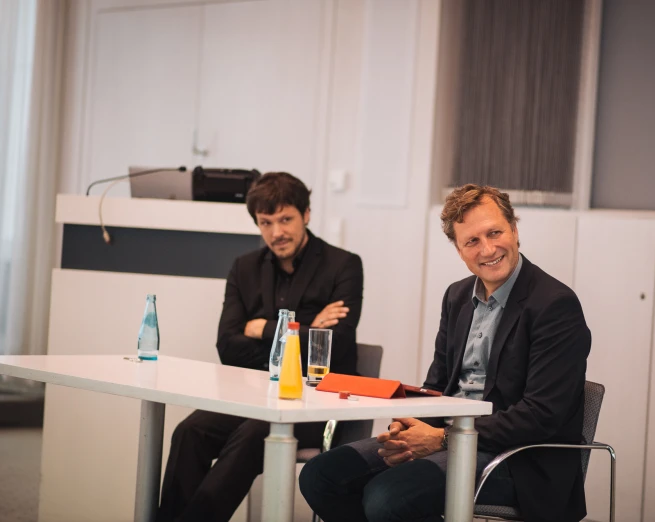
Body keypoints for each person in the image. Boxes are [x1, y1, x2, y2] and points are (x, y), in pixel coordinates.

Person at [299, 184, 591, 522]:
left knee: (388, 497)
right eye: (472, 241)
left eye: (495, 232)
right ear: (458, 250)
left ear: (514, 229)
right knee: (321, 476)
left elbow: (540, 415)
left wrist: (441, 439)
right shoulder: (456, 296)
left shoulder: (554, 305)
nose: (488, 249)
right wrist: (409, 430)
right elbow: (437, 384)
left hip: (517, 460)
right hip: (449, 439)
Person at [157, 172, 364, 522]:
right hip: (254, 395)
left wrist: (261, 328)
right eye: (266, 223)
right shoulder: (245, 268)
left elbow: (335, 347)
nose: (276, 232)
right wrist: (309, 326)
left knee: (258, 431)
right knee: (189, 431)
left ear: (307, 214)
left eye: (286, 219)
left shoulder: (343, 264)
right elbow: (227, 345)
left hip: (316, 402)